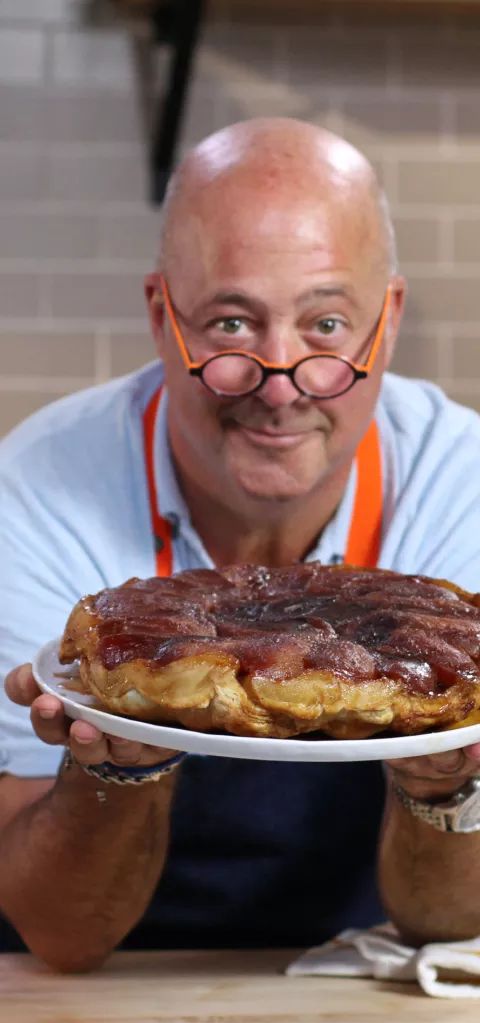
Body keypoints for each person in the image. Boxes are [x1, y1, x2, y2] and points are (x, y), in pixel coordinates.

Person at [1, 118, 480, 974]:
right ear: (161, 317)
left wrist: (449, 787)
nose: (281, 381)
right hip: (105, 1004)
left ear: (390, 318)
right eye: (230, 324)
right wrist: (116, 766)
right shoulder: (35, 494)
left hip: (365, 990)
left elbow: (453, 931)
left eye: (328, 324)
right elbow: (57, 934)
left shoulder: (462, 490)